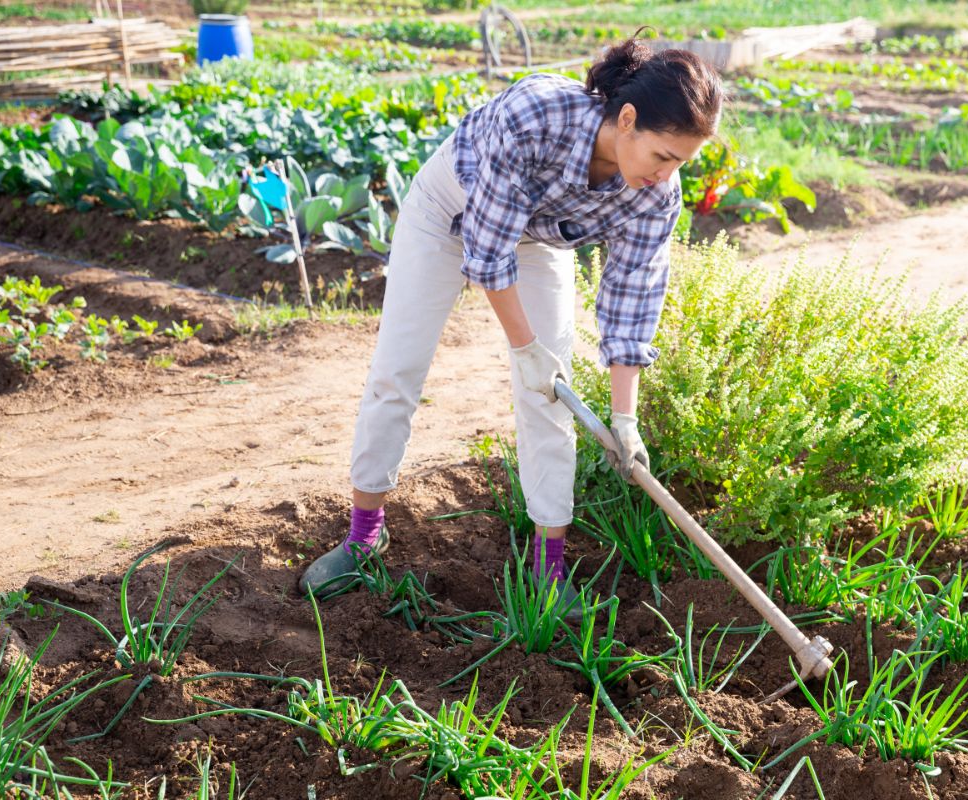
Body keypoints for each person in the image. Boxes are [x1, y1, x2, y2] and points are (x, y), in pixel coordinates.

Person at [298, 34, 723, 599]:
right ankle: (363, 537)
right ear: (626, 119)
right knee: (397, 372)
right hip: (447, 213)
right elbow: (487, 250)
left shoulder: (653, 197)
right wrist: (526, 351)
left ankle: (548, 571)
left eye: (681, 164)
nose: (668, 176)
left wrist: (626, 419)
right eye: (663, 157)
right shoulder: (535, 116)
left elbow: (632, 302)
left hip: (538, 241)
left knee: (551, 398)